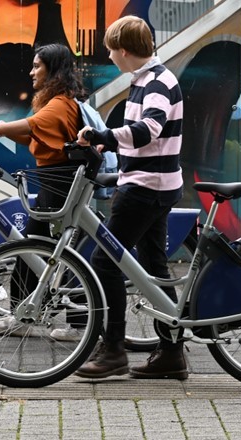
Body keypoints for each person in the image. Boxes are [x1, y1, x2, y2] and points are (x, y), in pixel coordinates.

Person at [74, 16, 187, 379]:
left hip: (145, 186)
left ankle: (113, 350)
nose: (109, 56)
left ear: (124, 50)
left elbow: (148, 131)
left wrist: (102, 136)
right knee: (153, 267)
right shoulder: (147, 80)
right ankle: (171, 353)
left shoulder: (155, 83)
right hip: (155, 183)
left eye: (110, 49)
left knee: (105, 262)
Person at [0, 43, 88, 342]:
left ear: (53, 69)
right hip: (55, 180)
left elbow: (32, 125)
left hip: (60, 181)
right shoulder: (55, 101)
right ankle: (26, 313)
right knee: (36, 245)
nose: (32, 72)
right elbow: (31, 132)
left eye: (37, 66)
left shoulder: (61, 103)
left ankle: (76, 323)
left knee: (55, 249)